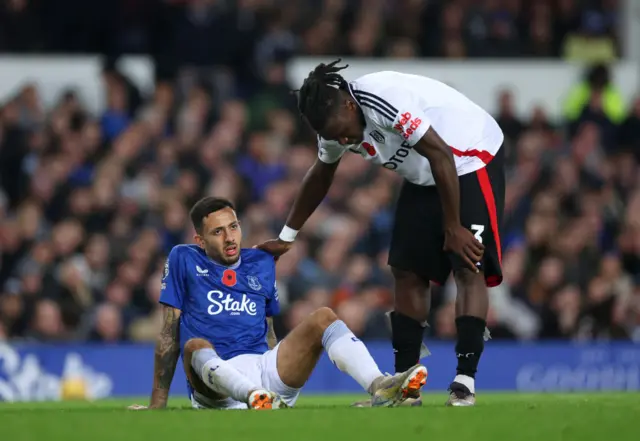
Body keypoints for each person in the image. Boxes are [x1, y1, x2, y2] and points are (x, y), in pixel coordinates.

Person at [256, 60, 505, 407]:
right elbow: (321, 174)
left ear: (347, 103)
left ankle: (465, 381)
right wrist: (288, 235)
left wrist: (453, 227)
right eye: (333, 137)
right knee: (405, 269)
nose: (342, 140)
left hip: (469, 156)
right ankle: (404, 385)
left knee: (467, 265)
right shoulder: (333, 126)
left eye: (340, 132)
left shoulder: (383, 98)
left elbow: (442, 154)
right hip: (426, 173)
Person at [128, 197, 427, 410]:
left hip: (263, 368)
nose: (230, 237)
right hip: (216, 387)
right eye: (217, 232)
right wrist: (158, 403)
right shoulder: (183, 258)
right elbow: (169, 334)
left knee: (323, 317)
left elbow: (268, 327)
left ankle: (380, 386)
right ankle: (253, 396)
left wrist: (276, 368)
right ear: (200, 241)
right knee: (193, 345)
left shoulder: (260, 262)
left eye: (233, 227)